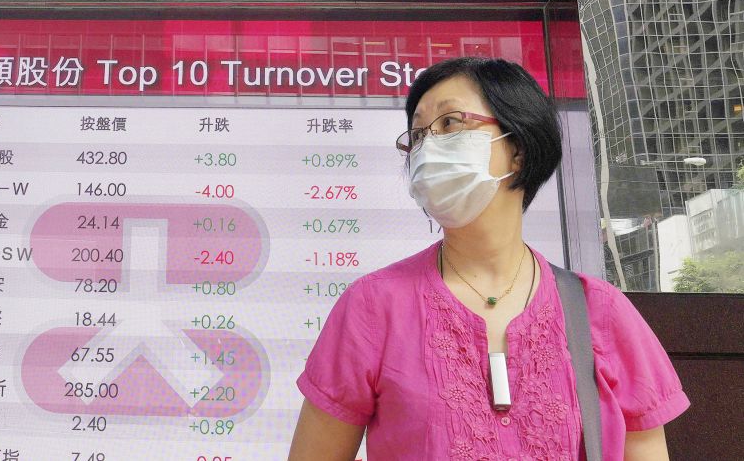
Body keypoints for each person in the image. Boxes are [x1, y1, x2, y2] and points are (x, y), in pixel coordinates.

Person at [288, 57, 689, 461]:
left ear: (517, 147)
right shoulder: (373, 306)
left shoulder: (600, 310)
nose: (427, 148)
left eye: (449, 123)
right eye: (417, 136)